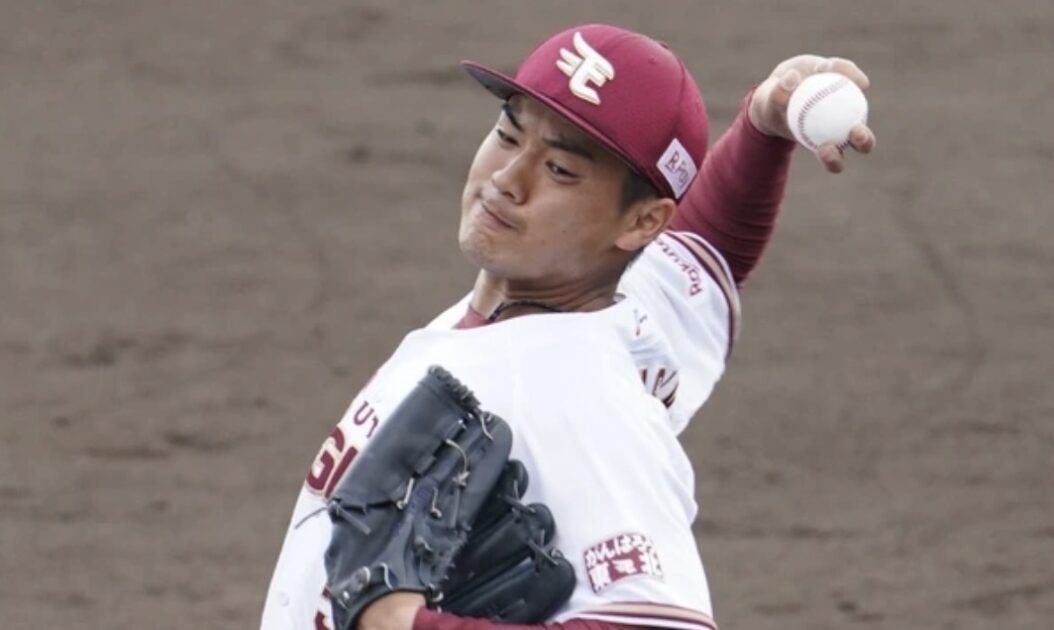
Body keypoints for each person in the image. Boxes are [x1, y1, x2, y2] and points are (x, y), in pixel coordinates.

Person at [260, 23, 874, 630]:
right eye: (508, 134)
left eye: (559, 170)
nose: (508, 179)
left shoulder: (581, 402)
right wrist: (763, 129)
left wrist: (404, 625)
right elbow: (702, 250)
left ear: (641, 223)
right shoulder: (613, 311)